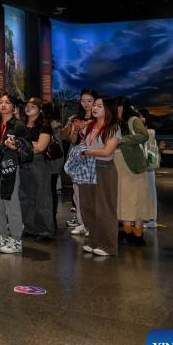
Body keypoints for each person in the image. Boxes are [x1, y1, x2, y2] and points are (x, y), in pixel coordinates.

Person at [74, 96, 121, 257]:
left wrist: (87, 152)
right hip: (87, 167)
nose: (94, 108)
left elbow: (107, 151)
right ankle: (94, 241)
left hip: (104, 169)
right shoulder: (90, 126)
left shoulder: (113, 127)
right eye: (94, 105)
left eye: (99, 106)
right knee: (87, 207)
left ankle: (108, 245)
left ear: (108, 109)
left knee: (105, 208)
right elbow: (82, 143)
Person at [0, 92, 31, 255]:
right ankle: (3, 236)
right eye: (1, 102)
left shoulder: (18, 126)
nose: (4, 105)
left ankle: (16, 239)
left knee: (11, 202)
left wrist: (15, 147)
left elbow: (28, 150)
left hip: (10, 166)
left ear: (13, 106)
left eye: (7, 102)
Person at [114, 96, 151, 246]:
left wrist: (122, 140)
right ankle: (127, 231)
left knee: (138, 199)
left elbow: (144, 135)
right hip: (118, 165)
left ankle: (138, 233)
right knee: (123, 199)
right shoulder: (115, 122)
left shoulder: (133, 120)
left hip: (134, 166)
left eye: (118, 106)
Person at [62, 88, 99, 236]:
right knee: (77, 193)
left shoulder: (99, 118)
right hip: (78, 157)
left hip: (93, 157)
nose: (86, 104)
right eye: (83, 101)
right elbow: (72, 140)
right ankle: (81, 222)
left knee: (91, 193)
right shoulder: (76, 118)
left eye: (89, 101)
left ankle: (93, 224)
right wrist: (76, 129)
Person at [19, 97, 54, 241]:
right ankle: (30, 227)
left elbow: (40, 147)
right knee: (25, 197)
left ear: (40, 110)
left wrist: (23, 143)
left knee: (42, 197)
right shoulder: (21, 125)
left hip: (38, 163)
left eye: (32, 106)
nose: (28, 108)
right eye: (27, 105)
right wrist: (26, 144)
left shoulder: (44, 126)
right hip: (23, 161)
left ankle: (45, 231)